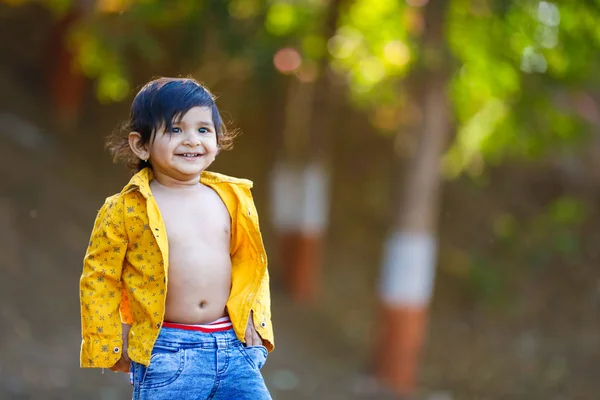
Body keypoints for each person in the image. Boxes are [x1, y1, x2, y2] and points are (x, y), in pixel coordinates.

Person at [79, 77, 274, 400]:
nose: (192, 141)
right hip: (168, 352)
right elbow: (99, 277)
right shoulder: (127, 209)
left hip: (233, 347)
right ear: (141, 145)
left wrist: (256, 318)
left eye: (203, 130)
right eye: (175, 130)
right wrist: (108, 341)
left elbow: (252, 263)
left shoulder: (232, 198)